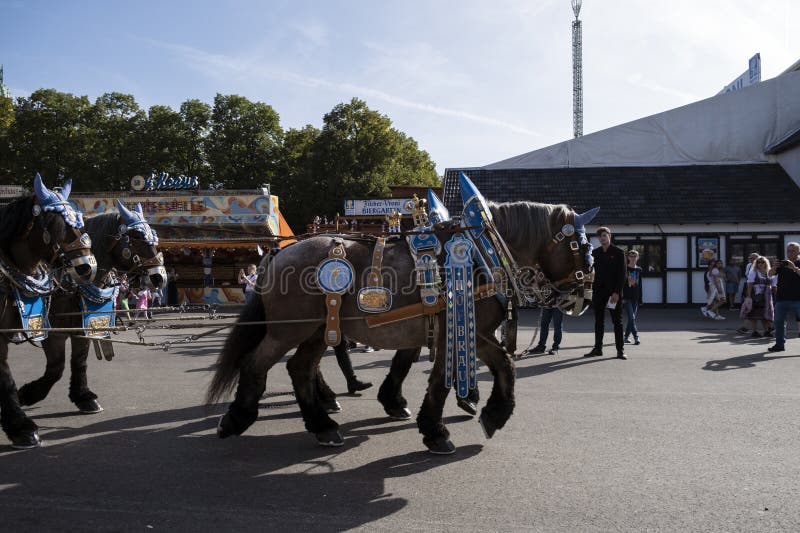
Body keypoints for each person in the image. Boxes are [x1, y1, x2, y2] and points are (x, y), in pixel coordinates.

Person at [584, 226, 627, 359]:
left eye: (604, 235)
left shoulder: (619, 252)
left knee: (617, 322)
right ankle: (598, 349)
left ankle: (620, 350)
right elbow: (590, 271)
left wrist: (617, 292)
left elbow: (622, 275)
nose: (602, 238)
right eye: (600, 236)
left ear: (609, 236)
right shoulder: (595, 253)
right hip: (598, 292)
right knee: (598, 321)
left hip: (613, 293)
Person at [768, 243, 800, 352]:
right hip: (782, 298)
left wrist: (794, 268)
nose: (790, 253)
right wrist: (774, 267)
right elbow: (770, 274)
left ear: (798, 252)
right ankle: (779, 344)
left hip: (798, 298)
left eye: (793, 251)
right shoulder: (782, 264)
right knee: (778, 321)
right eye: (788, 251)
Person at [741, 256, 775, 337]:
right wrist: (748, 296)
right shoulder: (753, 272)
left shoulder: (768, 272)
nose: (760, 264)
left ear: (765, 263)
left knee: (765, 314)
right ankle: (754, 331)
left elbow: (773, 284)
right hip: (756, 295)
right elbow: (749, 285)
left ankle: (766, 331)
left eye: (762, 262)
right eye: (758, 262)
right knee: (754, 315)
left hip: (767, 296)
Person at [623, 249, 643, 345]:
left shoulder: (639, 269)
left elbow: (640, 285)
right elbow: (622, 284)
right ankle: (636, 337)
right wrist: (622, 297)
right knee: (632, 318)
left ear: (638, 258)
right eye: (631, 256)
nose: (633, 258)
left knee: (632, 319)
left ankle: (626, 337)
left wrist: (641, 298)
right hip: (626, 298)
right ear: (628, 257)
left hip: (635, 297)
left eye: (635, 256)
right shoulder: (625, 269)